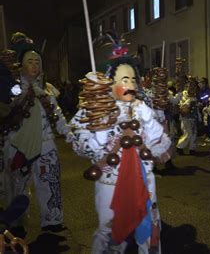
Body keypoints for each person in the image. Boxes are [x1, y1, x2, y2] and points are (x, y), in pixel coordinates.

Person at [69, 33, 172, 253]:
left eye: (133, 79)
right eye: (124, 80)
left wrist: (156, 145)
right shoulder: (95, 110)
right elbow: (79, 140)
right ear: (112, 82)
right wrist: (100, 135)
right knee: (110, 229)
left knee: (150, 226)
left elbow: (158, 139)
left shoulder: (142, 108)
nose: (130, 84)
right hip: (110, 181)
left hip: (143, 178)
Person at [2, 32, 72, 233]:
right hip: (18, 147)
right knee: (17, 186)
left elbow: (57, 116)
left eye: (37, 62)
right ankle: (16, 222)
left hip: (46, 145)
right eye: (30, 61)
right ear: (21, 65)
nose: (34, 65)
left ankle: (52, 220)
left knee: (49, 183)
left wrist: (69, 134)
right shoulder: (13, 90)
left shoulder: (47, 92)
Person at [176, 76, 199, 155]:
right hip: (186, 118)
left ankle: (192, 149)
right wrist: (190, 101)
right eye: (190, 85)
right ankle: (179, 147)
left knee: (194, 133)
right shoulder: (184, 94)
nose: (192, 87)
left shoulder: (194, 95)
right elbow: (182, 106)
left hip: (193, 117)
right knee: (187, 133)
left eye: (194, 85)